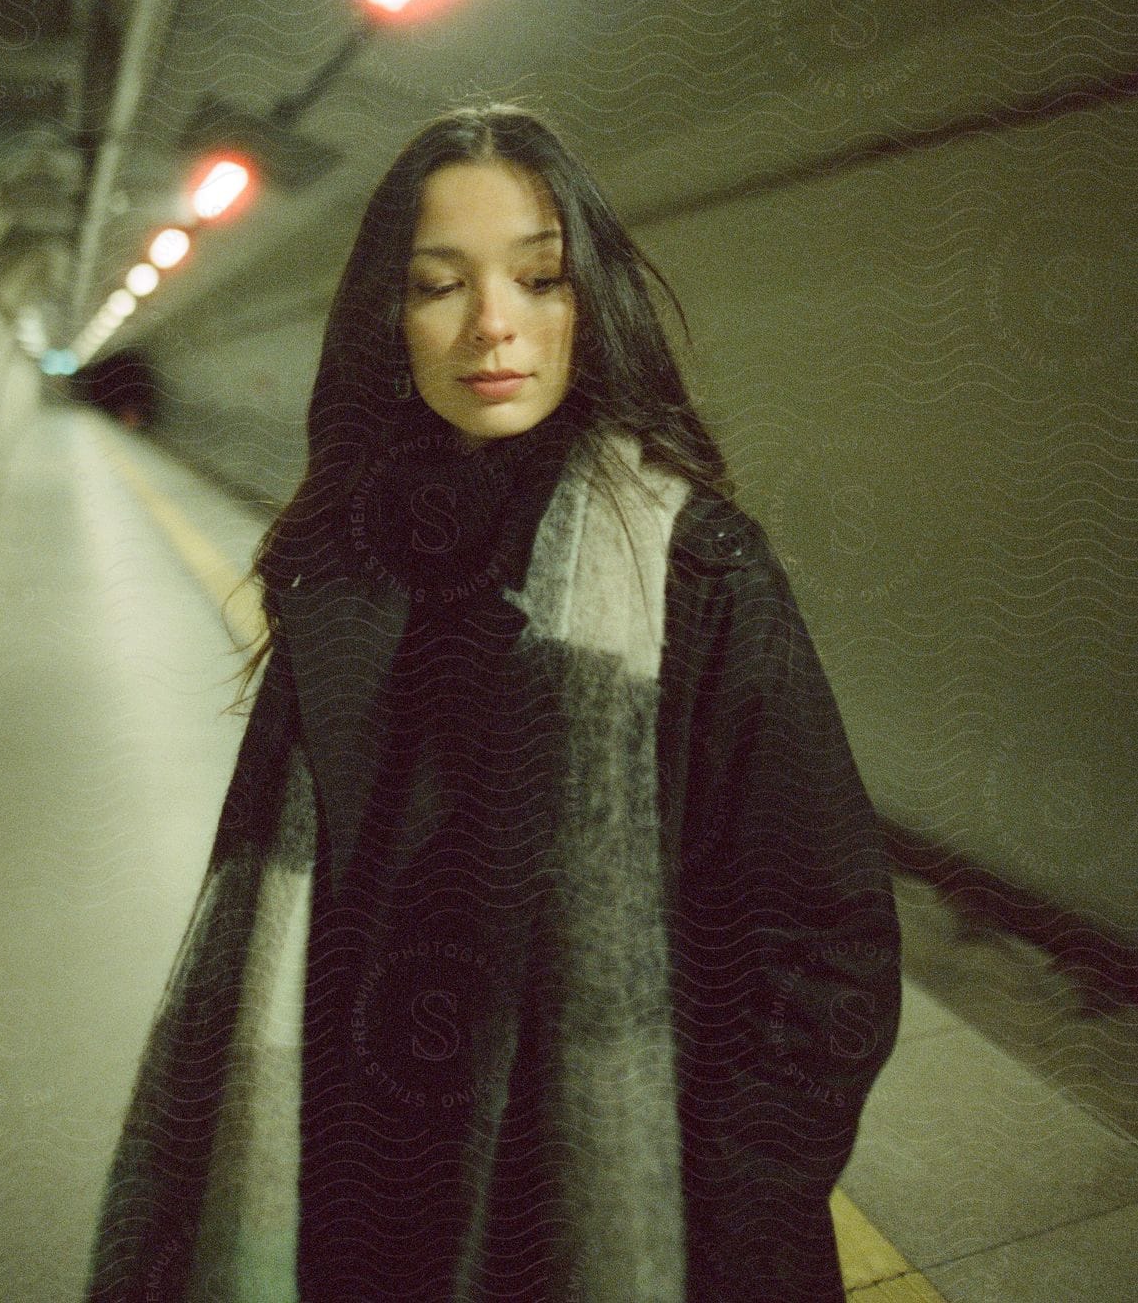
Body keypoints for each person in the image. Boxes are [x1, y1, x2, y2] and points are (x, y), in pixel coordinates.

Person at [84, 102, 902, 1302]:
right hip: (362, 1185)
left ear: (592, 301)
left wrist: (722, 1215)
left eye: (538, 278)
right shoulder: (339, 567)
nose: (491, 327)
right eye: (437, 286)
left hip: (606, 1205)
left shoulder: (693, 570)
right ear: (389, 319)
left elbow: (826, 942)